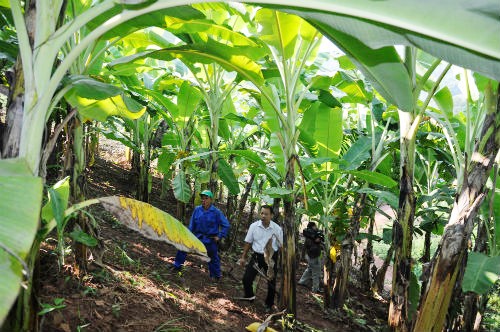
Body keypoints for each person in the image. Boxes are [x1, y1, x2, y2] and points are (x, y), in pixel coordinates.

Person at [171, 190, 230, 281]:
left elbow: (226, 225)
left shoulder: (216, 212)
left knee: (213, 257)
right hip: (197, 237)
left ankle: (216, 276)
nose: (204, 200)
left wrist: (220, 235)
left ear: (211, 200)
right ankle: (177, 266)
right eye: (202, 198)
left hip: (210, 239)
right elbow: (192, 224)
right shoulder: (197, 209)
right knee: (183, 247)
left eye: (206, 198)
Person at [238, 205, 283, 312]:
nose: (263, 216)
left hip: (271, 258)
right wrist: (243, 257)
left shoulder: (277, 229)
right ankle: (250, 297)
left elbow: (281, 246)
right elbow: (248, 242)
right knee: (246, 279)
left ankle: (269, 304)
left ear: (271, 215)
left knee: (271, 283)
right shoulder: (254, 226)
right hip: (257, 257)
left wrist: (281, 262)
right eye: (262, 213)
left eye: (266, 214)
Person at [298, 222, 324, 293]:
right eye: (315, 226)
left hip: (309, 255)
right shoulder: (313, 234)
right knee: (316, 273)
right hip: (314, 256)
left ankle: (302, 281)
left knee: (309, 269)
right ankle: (315, 289)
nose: (316, 227)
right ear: (313, 226)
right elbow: (317, 241)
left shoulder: (308, 234)